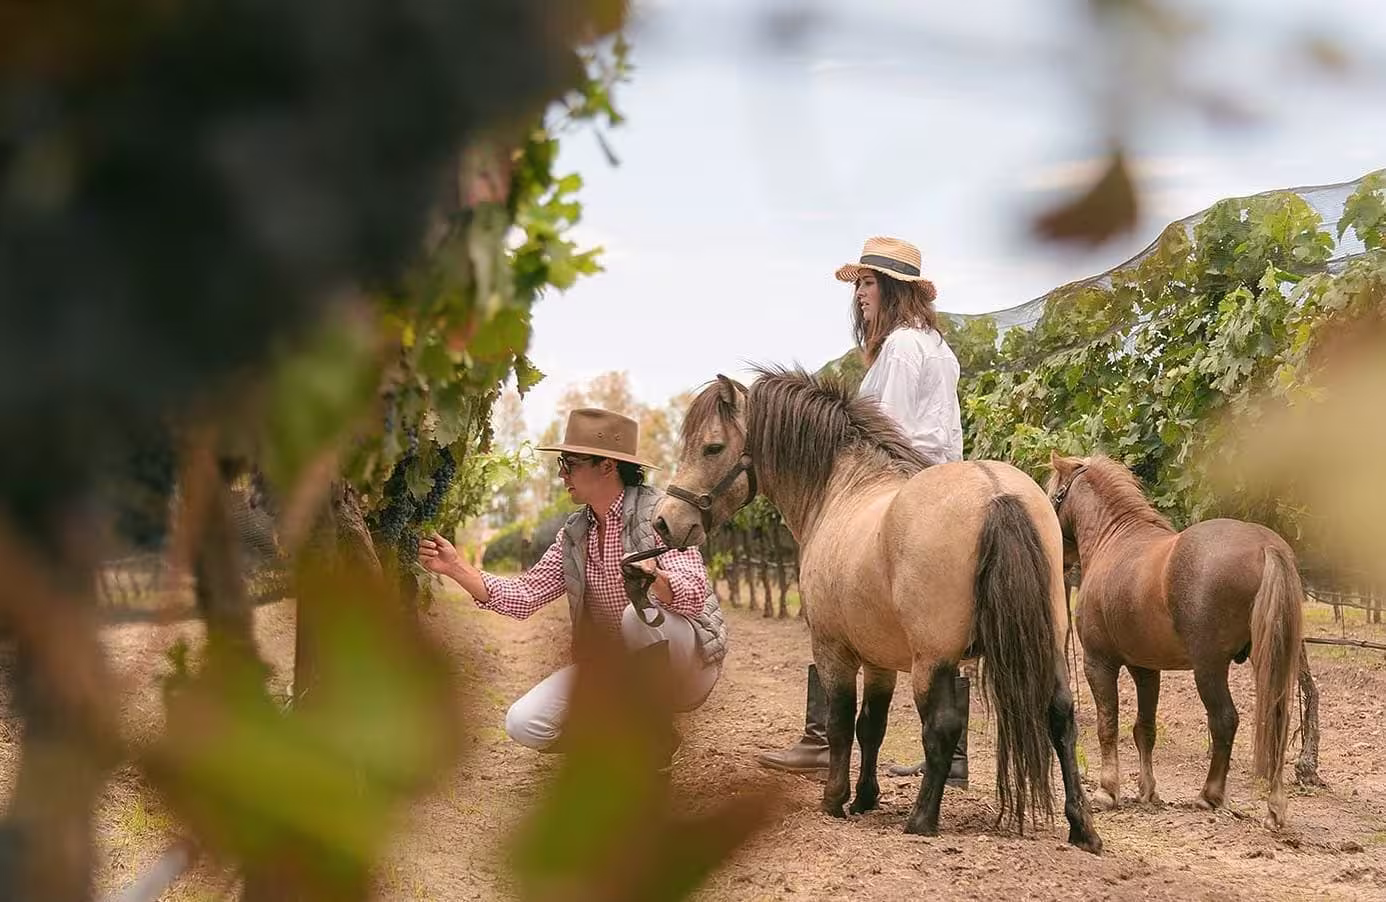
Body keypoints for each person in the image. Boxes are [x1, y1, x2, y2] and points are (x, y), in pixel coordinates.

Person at [755, 235, 969, 786]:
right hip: (940, 480)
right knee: (947, 623)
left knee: (833, 595)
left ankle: (821, 736)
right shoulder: (939, 347)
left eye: (868, 284)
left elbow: (883, 431)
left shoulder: (899, 348)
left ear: (894, 289)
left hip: (895, 486)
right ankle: (955, 754)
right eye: (857, 286)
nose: (860, 296)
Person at [418, 407, 727, 756]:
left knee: (635, 615)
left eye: (570, 464)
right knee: (524, 723)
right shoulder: (576, 533)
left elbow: (695, 594)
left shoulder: (661, 515)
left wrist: (655, 579)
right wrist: (457, 567)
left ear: (607, 466)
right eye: (561, 465)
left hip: (686, 666)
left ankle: (654, 742)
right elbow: (525, 594)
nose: (562, 474)